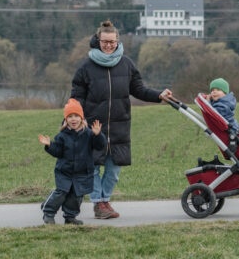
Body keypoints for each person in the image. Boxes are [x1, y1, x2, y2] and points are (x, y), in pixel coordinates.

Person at [71, 20, 173, 220]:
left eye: (112, 42)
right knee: (92, 167)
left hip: (120, 125)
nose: (108, 45)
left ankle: (104, 199)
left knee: (114, 168)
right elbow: (76, 97)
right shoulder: (86, 67)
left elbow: (139, 89)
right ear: (97, 40)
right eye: (104, 41)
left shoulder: (126, 64)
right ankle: (99, 203)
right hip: (93, 126)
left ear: (118, 41)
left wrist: (159, 95)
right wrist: (75, 118)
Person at [38, 98, 106, 225]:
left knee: (76, 196)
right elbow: (58, 152)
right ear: (66, 119)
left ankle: (70, 217)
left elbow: (99, 146)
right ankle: (48, 213)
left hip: (82, 172)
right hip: (64, 171)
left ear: (81, 118)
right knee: (61, 192)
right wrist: (49, 145)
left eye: (76, 116)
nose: (73, 119)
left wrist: (98, 135)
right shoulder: (62, 136)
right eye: (70, 116)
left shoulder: (89, 134)